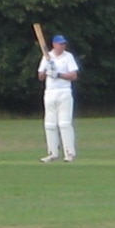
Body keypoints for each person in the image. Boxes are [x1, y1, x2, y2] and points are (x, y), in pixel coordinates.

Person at [38, 34, 80, 162]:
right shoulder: (47, 57)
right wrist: (47, 70)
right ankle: (52, 153)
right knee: (50, 124)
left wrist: (58, 74)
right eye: (60, 44)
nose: (63, 46)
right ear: (54, 44)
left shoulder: (68, 57)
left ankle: (69, 153)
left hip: (64, 92)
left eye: (64, 44)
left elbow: (73, 76)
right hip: (50, 93)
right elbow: (40, 76)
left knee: (64, 123)